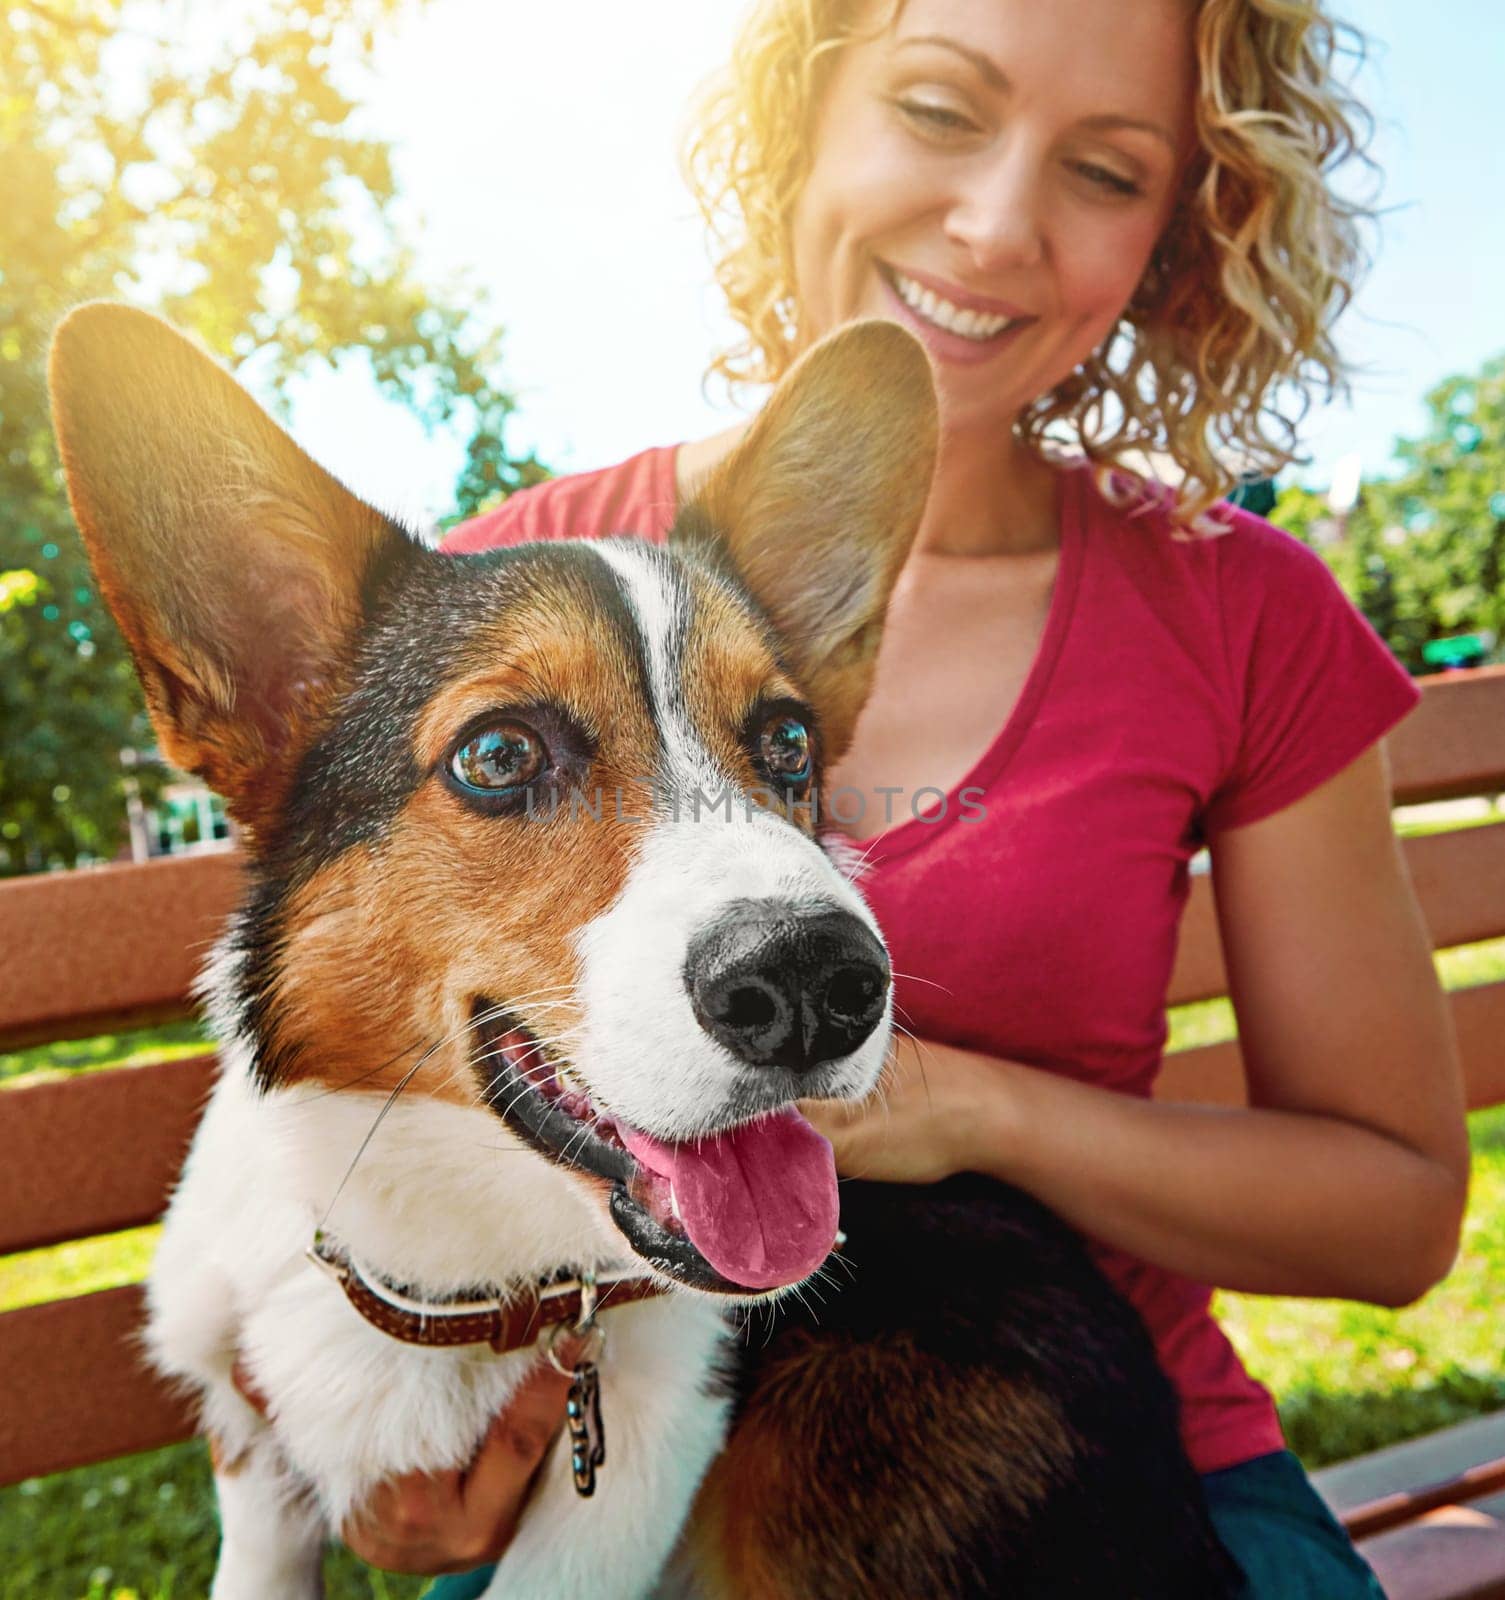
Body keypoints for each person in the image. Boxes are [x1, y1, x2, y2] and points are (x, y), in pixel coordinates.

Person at [328, 0, 1469, 1592]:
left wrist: (968, 1113)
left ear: (1176, 238)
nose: (997, 225)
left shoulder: (1238, 612)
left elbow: (1393, 1214)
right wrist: (411, 1460)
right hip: (601, 1493)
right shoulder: (502, 599)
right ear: (803, 113)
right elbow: (359, 1120)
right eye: (939, 110)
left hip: (1092, 1458)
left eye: (1102, 169)